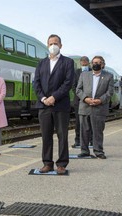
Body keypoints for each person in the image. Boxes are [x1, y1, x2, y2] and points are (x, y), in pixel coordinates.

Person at [33, 34, 74, 174]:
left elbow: (68, 83)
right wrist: (43, 98)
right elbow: (36, 83)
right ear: (47, 45)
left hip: (60, 105)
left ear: (61, 45)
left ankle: (62, 164)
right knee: (46, 135)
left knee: (62, 135)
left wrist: (54, 97)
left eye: (55, 43)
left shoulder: (68, 62)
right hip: (44, 106)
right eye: (50, 43)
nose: (53, 46)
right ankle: (47, 163)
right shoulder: (41, 63)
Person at [76, 56, 114, 159]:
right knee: (84, 130)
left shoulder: (109, 76)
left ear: (102, 64)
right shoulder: (84, 75)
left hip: (99, 108)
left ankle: (98, 151)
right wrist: (85, 99)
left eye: (98, 62)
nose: (95, 64)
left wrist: (100, 100)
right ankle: (84, 151)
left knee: (98, 131)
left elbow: (110, 92)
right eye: (93, 62)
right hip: (85, 107)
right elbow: (78, 90)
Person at [72, 56, 93, 148]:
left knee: (91, 121)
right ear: (80, 63)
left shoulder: (93, 71)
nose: (84, 63)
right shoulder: (76, 72)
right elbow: (73, 86)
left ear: (88, 63)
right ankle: (78, 140)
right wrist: (82, 96)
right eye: (82, 62)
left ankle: (92, 140)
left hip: (91, 100)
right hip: (79, 100)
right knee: (78, 122)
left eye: (85, 62)